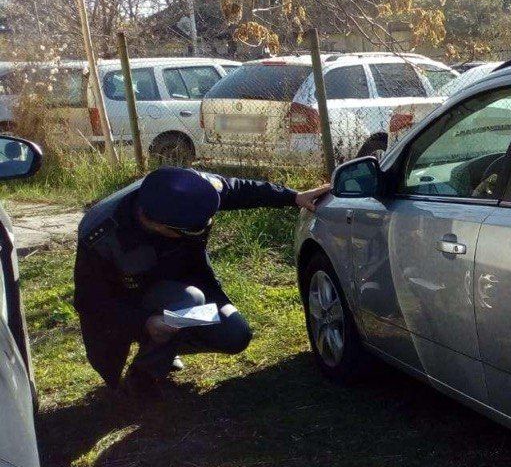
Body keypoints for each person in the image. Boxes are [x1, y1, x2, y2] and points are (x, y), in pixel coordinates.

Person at [73, 167, 330, 393]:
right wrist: (144, 322)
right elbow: (91, 302)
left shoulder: (192, 188)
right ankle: (144, 375)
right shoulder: (100, 234)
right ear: (156, 225)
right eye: (193, 230)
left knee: (234, 334)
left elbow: (238, 189)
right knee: (188, 302)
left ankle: (163, 347)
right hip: (125, 303)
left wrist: (293, 196)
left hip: (180, 294)